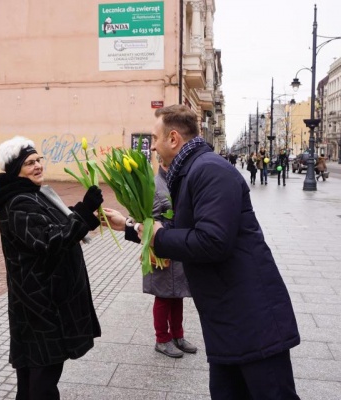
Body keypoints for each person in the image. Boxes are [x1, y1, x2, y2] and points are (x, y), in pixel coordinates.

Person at [107, 105, 301, 400]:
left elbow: (212, 241)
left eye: (156, 138)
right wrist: (129, 226)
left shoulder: (208, 170)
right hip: (227, 318)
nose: (154, 146)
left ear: (173, 139)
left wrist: (158, 236)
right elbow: (176, 227)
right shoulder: (191, 171)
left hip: (252, 319)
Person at [0, 136, 103, 400]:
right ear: (16, 170)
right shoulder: (18, 203)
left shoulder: (30, 195)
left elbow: (54, 223)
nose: (38, 166)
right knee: (43, 379)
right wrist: (84, 211)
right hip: (40, 305)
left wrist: (88, 217)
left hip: (38, 301)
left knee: (32, 375)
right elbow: (49, 240)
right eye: (29, 163)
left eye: (39, 160)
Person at [140, 155, 197, 358]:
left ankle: (178, 336)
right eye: (169, 162)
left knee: (178, 294)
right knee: (163, 296)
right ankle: (162, 339)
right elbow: (148, 218)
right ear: (162, 162)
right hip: (162, 248)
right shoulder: (155, 185)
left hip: (177, 246)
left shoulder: (179, 180)